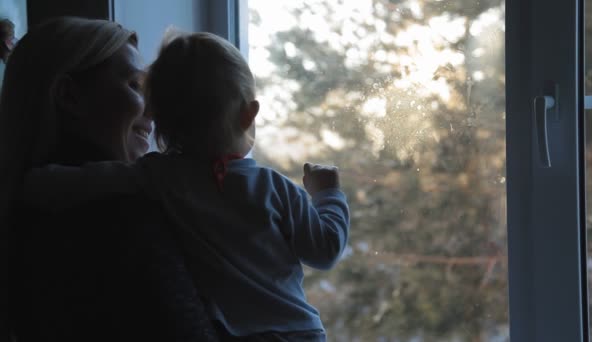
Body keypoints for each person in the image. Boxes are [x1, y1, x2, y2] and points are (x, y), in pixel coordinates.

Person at [23, 31, 350, 341]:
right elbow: (324, 249)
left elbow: (84, 180)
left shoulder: (157, 177)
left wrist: (33, 180)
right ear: (249, 114)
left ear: (157, 118)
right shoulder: (276, 188)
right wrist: (328, 192)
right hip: (298, 329)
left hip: (232, 334)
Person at [0, 17, 218, 341]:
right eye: (134, 86)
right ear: (70, 96)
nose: (152, 112)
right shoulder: (117, 215)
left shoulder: (25, 212)